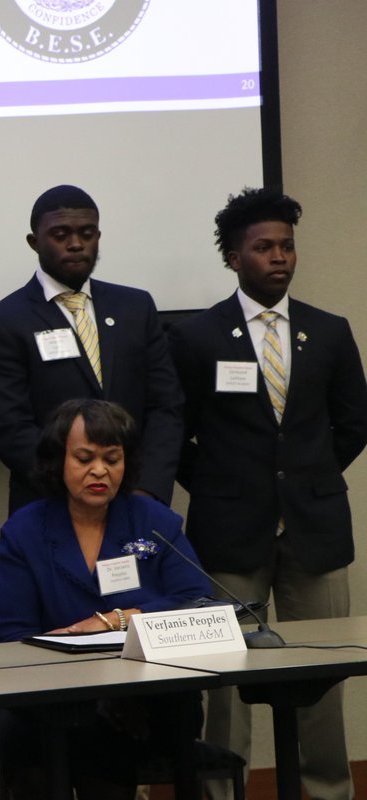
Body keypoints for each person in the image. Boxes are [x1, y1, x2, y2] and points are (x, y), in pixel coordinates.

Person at [168, 188, 367, 800]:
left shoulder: (329, 332)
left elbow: (354, 423)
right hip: (230, 532)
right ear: (234, 258)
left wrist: (303, 479)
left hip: (315, 528)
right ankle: (224, 789)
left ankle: (329, 790)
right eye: (263, 247)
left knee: (322, 676)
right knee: (225, 679)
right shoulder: (198, 337)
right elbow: (178, 435)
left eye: (286, 246)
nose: (279, 257)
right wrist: (227, 487)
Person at [0, 399, 210, 799]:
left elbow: (197, 602)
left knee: (109, 736)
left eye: (112, 459)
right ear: (58, 461)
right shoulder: (24, 531)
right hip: (51, 694)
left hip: (144, 694)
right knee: (32, 741)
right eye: (84, 458)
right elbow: (13, 635)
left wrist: (120, 619)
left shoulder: (154, 522)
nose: (99, 471)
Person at [0, 184, 184, 513]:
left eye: (87, 233)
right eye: (60, 234)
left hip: (135, 499)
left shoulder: (135, 308)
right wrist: (80, 486)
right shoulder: (1, 322)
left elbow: (166, 407)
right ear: (34, 242)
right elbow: (9, 428)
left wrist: (147, 489)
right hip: (50, 503)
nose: (75, 244)